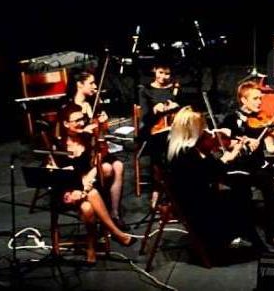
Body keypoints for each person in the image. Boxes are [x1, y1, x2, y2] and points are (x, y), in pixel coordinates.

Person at [165, 107, 263, 251]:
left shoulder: (180, 148)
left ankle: (242, 237)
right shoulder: (186, 155)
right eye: (201, 127)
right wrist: (225, 158)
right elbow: (212, 173)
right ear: (192, 130)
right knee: (241, 196)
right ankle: (243, 240)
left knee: (240, 190)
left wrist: (228, 155)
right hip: (196, 206)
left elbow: (208, 169)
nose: (206, 131)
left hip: (198, 197)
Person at [48, 104, 135, 264]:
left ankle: (91, 247)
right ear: (66, 124)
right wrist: (71, 191)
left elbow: (99, 161)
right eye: (76, 120)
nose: (82, 123)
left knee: (88, 207)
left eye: (82, 119)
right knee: (92, 196)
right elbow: (53, 174)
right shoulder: (56, 145)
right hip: (65, 192)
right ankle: (115, 233)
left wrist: (90, 176)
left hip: (86, 189)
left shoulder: (88, 139)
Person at [219, 81, 274, 250]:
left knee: (272, 190)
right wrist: (245, 141)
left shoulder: (263, 119)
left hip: (257, 165)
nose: (260, 102)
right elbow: (224, 142)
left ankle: (273, 234)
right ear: (243, 100)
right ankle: (243, 233)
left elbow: (271, 148)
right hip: (238, 166)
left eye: (260, 98)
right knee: (241, 192)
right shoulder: (230, 119)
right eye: (255, 98)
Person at [61, 70, 126, 225]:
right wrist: (84, 131)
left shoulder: (94, 103)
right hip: (83, 153)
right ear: (79, 84)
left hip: (97, 147)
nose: (95, 86)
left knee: (118, 165)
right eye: (91, 83)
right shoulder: (69, 108)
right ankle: (99, 208)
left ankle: (115, 213)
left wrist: (103, 124)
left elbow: (102, 133)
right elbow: (64, 134)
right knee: (106, 169)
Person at [136, 61, 180, 205]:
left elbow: (186, 110)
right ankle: (157, 188)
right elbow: (145, 117)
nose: (163, 77)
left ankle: (175, 187)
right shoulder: (145, 90)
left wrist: (177, 106)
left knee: (179, 143)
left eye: (167, 74)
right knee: (160, 143)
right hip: (152, 129)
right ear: (154, 70)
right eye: (160, 72)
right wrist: (155, 110)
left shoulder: (175, 89)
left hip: (173, 128)